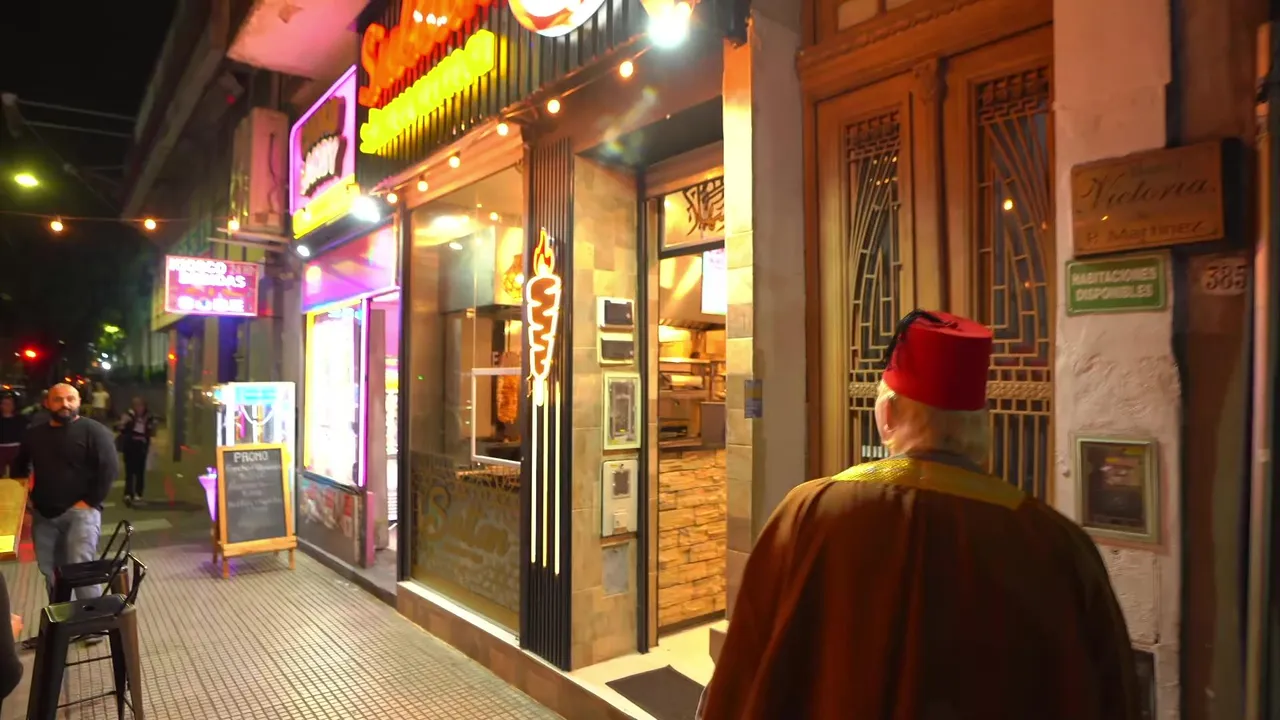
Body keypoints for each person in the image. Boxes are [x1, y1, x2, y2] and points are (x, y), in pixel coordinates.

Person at [698, 310, 1141, 720]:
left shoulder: (809, 514)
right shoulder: (1053, 544)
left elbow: (744, 667)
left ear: (886, 414)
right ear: (982, 423)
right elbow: (1107, 692)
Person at [9, 383, 117, 648]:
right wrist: (26, 501)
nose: (65, 404)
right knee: (52, 572)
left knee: (79, 568)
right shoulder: (34, 434)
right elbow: (19, 468)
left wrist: (89, 502)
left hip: (81, 515)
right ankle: (62, 626)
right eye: (58, 399)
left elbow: (109, 469)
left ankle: (92, 626)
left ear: (79, 401)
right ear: (48, 403)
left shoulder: (94, 431)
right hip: (44, 516)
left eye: (70, 399)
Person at [116, 396, 157, 506]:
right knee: (129, 471)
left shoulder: (149, 416)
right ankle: (128, 493)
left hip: (142, 446)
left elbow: (152, 431)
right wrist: (122, 423)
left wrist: (150, 427)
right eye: (136, 405)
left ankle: (138, 494)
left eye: (141, 405)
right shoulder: (128, 415)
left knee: (140, 471)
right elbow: (119, 428)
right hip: (129, 445)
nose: (139, 408)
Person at [0, 395, 25, 477]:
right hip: (1, 448)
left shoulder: (21, 419)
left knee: (17, 473)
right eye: (4, 404)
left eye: (9, 404)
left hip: (16, 448)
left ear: (13, 406)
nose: (7, 406)